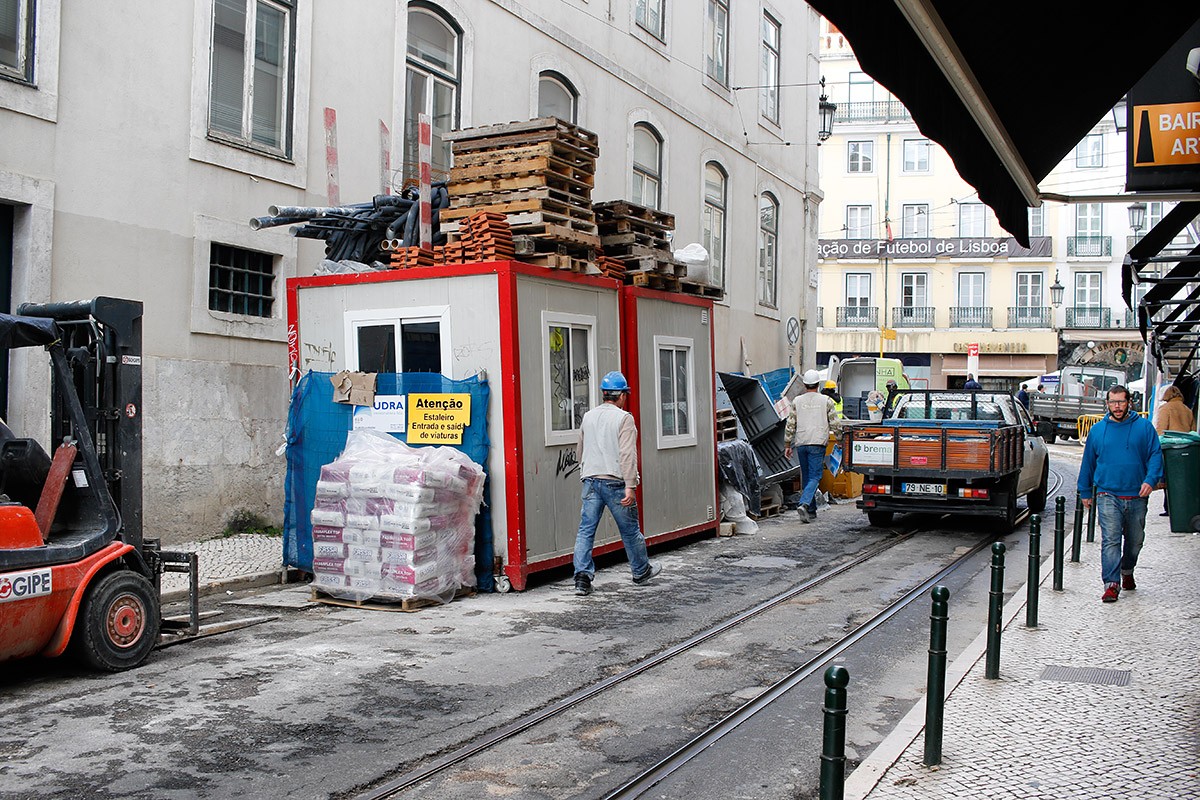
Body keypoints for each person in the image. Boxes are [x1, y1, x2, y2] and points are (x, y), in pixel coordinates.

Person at [572, 370, 661, 596]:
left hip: (591, 481)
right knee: (630, 531)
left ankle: (582, 579)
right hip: (615, 483)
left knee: (586, 531)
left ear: (604, 394)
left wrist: (585, 472)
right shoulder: (624, 418)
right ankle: (641, 571)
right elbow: (627, 455)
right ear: (621, 395)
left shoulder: (588, 416)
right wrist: (630, 485)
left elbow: (580, 449)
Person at [1078, 385, 1163, 603]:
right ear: (1107, 403)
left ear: (1129, 402)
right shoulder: (1097, 430)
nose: (1117, 406)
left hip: (1137, 494)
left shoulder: (1144, 428)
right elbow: (1088, 462)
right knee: (1111, 540)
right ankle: (1111, 584)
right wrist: (1085, 490)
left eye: (1121, 402)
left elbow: (1155, 455)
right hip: (1108, 494)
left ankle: (1127, 570)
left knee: (1135, 541)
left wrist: (1150, 480)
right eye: (1113, 402)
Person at [784, 369, 839, 524]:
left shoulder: (797, 401)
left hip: (801, 443)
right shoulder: (826, 401)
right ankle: (804, 504)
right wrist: (840, 439)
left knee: (807, 477)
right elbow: (835, 423)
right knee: (815, 476)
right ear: (818, 384)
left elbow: (790, 425)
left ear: (805, 384)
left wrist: (787, 444)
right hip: (817, 442)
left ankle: (811, 511)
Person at [1154, 385, 1196, 517]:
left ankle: (1169, 507)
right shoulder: (1187, 410)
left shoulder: (1165, 409)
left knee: (1168, 479)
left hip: (1170, 448)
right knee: (1181, 478)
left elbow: (1161, 429)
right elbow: (1193, 430)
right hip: (1186, 447)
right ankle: (1180, 506)